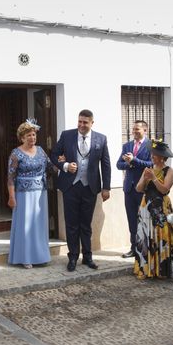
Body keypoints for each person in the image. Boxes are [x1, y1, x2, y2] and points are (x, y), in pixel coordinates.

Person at [50, 109, 111, 272]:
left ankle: (88, 257)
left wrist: (106, 187)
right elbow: (54, 155)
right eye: (80, 121)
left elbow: (105, 164)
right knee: (71, 224)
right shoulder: (66, 135)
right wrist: (65, 166)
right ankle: (73, 257)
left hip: (90, 187)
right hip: (70, 187)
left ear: (92, 123)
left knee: (86, 224)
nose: (82, 125)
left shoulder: (101, 139)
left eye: (85, 122)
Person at [7, 119, 55, 268]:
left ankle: (40, 256)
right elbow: (10, 177)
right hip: (23, 195)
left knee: (39, 225)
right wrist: (11, 196)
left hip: (40, 194)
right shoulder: (16, 154)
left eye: (33, 135)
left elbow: (51, 167)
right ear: (22, 137)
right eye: (28, 135)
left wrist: (62, 163)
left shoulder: (41, 150)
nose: (32, 138)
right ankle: (25, 257)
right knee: (25, 225)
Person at [133, 139, 173, 279]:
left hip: (161, 208)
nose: (152, 156)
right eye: (152, 154)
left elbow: (164, 189)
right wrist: (144, 179)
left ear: (162, 157)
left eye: (155, 154)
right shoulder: (147, 169)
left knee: (160, 235)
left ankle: (161, 270)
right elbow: (139, 189)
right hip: (146, 207)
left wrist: (153, 178)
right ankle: (147, 269)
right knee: (146, 236)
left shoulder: (169, 171)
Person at [116, 120, 152, 258]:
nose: (134, 132)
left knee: (144, 219)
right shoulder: (127, 146)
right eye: (133, 129)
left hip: (144, 188)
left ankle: (144, 249)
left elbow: (152, 164)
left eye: (137, 129)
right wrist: (129, 164)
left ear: (145, 130)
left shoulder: (151, 146)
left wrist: (134, 160)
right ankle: (133, 248)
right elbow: (119, 164)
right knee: (131, 219)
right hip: (129, 188)